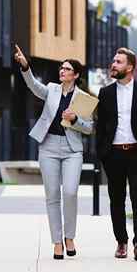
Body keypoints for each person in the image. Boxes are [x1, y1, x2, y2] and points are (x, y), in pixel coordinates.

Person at [14, 44, 94, 260]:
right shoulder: (51, 89)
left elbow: (89, 128)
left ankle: (70, 237)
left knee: (70, 192)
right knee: (52, 196)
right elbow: (32, 85)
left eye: (67, 69)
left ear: (76, 75)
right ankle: (57, 242)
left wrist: (75, 120)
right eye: (61, 68)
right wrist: (25, 66)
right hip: (48, 146)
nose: (62, 71)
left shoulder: (83, 98)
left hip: (72, 150)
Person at [96, 47, 137, 261]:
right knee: (116, 199)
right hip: (113, 154)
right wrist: (102, 153)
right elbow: (102, 126)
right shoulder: (105, 93)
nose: (113, 64)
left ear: (130, 67)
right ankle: (121, 242)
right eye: (113, 61)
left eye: (119, 61)